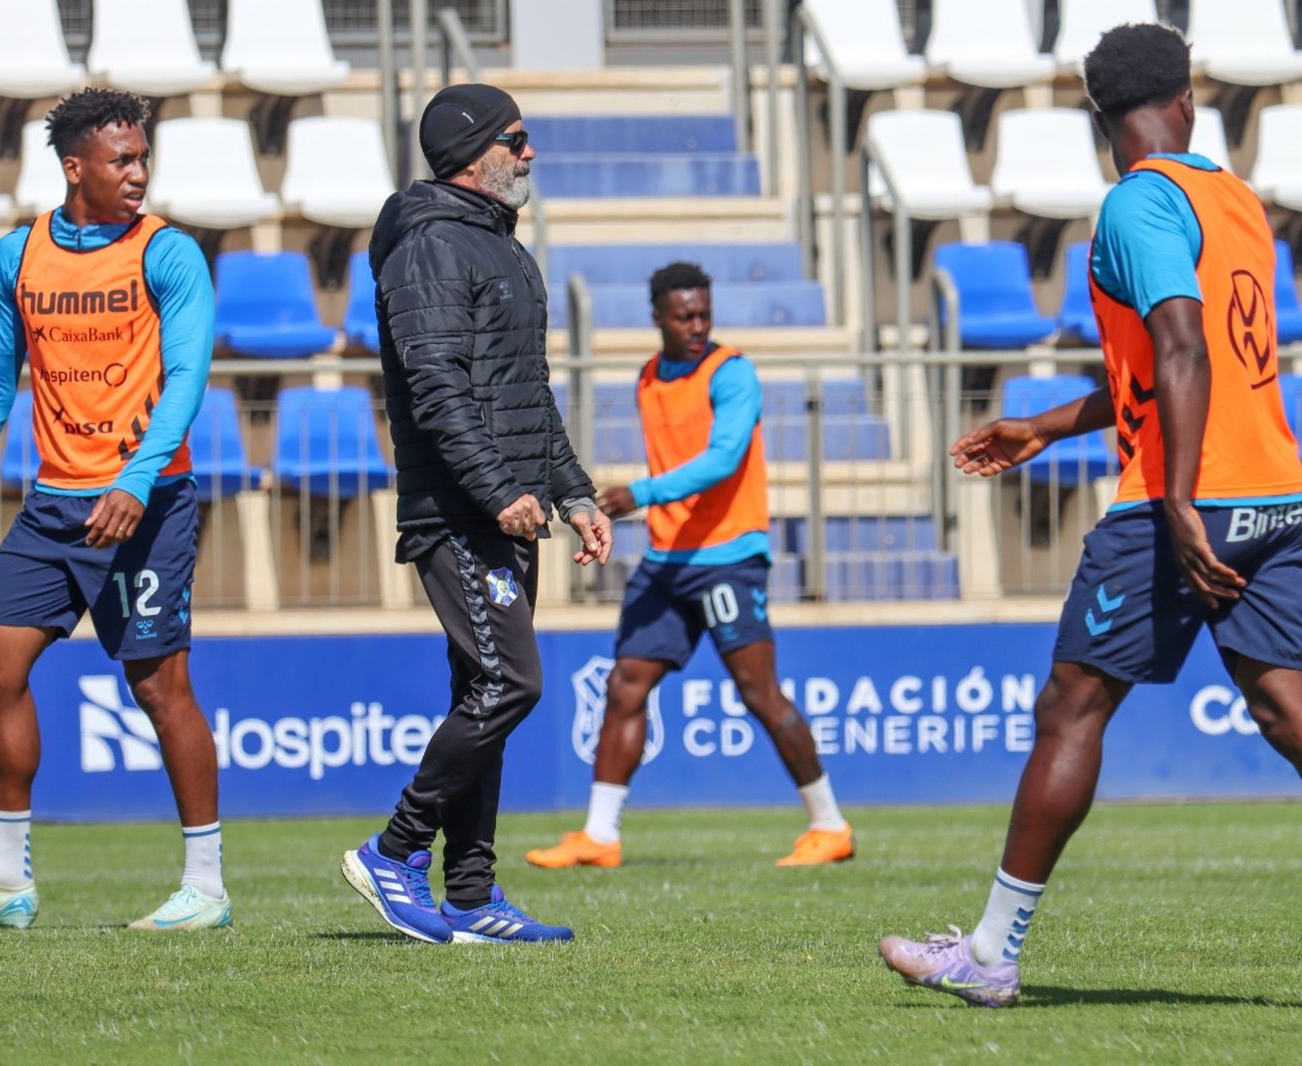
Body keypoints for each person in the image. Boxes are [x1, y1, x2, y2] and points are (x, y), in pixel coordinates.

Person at [880, 22, 1302, 1006]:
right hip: (1276, 492)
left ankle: (989, 956)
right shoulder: (1235, 197)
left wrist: (1180, 500)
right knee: (1286, 705)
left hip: (1184, 498)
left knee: (1070, 707)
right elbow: (1185, 364)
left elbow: (1183, 346)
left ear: (1096, 117)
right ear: (1187, 102)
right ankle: (987, 952)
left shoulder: (1137, 201)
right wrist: (1047, 424)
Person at [0, 89, 228, 932]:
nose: (139, 172)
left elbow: (187, 380)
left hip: (148, 503)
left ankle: (206, 887)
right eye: (123, 160)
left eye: (143, 157)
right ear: (75, 167)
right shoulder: (18, 257)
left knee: (160, 687)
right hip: (55, 507)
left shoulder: (169, 254)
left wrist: (135, 479)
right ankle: (5, 880)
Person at [339, 83, 613, 945]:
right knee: (511, 683)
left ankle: (470, 895)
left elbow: (527, 396)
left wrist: (574, 493)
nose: (531, 154)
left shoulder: (501, 247)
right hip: (459, 512)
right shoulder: (427, 246)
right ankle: (394, 850)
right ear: (470, 151)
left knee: (482, 692)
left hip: (509, 511)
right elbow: (436, 388)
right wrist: (496, 490)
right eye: (516, 139)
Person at [524, 263, 854, 872]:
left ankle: (830, 825)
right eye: (684, 317)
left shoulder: (732, 372)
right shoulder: (649, 375)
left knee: (760, 694)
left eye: (704, 313)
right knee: (625, 685)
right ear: (658, 317)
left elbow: (724, 459)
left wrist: (640, 493)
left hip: (728, 559)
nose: (698, 326)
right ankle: (599, 835)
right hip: (667, 561)